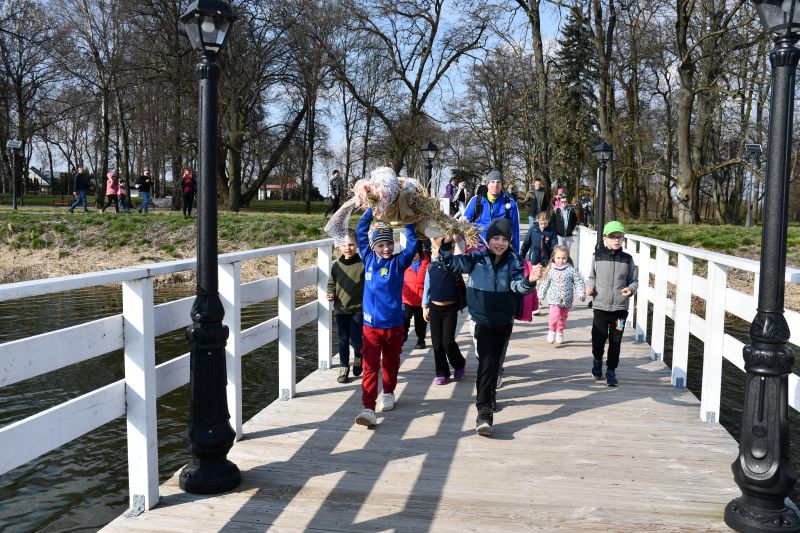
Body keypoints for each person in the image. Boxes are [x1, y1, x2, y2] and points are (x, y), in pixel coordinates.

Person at [440, 218, 542, 436]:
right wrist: (447, 243)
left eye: (504, 239)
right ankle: (484, 412)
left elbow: (518, 287)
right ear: (488, 240)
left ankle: (490, 396)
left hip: (504, 320)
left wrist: (530, 280)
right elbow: (451, 264)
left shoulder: (514, 260)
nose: (500, 243)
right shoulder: (477, 257)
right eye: (496, 238)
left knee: (495, 363)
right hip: (482, 319)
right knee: (486, 363)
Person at [354, 207, 418, 428]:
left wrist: (409, 219)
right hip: (370, 327)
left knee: (391, 363)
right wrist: (371, 210)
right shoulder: (368, 259)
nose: (386, 249)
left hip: (394, 325)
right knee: (370, 366)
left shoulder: (398, 263)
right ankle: (368, 408)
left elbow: (412, 244)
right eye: (381, 245)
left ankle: (389, 392)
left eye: (389, 244)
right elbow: (361, 232)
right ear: (373, 247)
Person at [586, 221, 638, 387]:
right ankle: (597, 360)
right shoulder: (597, 257)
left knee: (616, 341)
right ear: (604, 239)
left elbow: (634, 281)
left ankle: (611, 370)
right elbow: (592, 277)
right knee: (598, 340)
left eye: (619, 237)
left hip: (620, 309)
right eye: (613, 237)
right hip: (600, 307)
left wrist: (630, 289)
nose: (617, 240)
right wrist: (590, 287)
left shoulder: (628, 259)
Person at [422, 238, 466, 385]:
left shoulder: (453, 264)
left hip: (450, 309)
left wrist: (455, 236)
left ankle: (459, 363)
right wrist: (424, 306)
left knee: (447, 341)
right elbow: (427, 287)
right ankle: (442, 372)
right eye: (432, 248)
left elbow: (460, 247)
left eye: (435, 248)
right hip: (434, 308)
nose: (433, 251)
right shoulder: (431, 266)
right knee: (437, 343)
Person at [326, 228, 364, 384]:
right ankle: (344, 367)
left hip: (358, 309)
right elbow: (331, 283)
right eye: (344, 245)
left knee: (355, 340)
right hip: (341, 309)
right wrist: (330, 293)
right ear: (338, 246)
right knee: (342, 340)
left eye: (351, 244)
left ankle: (359, 355)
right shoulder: (336, 266)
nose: (348, 248)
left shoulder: (362, 264)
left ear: (357, 244)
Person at [537, 245, 586, 345]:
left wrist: (581, 293)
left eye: (564, 258)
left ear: (567, 258)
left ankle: (560, 332)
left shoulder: (571, 270)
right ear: (554, 258)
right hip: (554, 299)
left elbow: (578, 282)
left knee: (562, 318)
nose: (561, 260)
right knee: (554, 315)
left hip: (567, 300)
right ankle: (552, 330)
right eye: (558, 258)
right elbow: (545, 283)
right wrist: (540, 295)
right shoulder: (551, 270)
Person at [462, 170, 521, 252]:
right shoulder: (475, 200)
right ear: (487, 184)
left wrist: (516, 254)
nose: (495, 185)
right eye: (492, 182)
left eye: (498, 182)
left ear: (502, 185)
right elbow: (464, 224)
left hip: (500, 249)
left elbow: (515, 231)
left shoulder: (511, 204)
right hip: (478, 247)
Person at [402, 240, 430, 349]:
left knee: (420, 323)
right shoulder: (404, 263)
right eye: (411, 253)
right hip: (406, 299)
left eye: (416, 253)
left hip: (421, 299)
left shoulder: (427, 264)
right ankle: (402, 337)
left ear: (420, 252)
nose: (413, 255)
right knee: (404, 319)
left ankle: (421, 339)